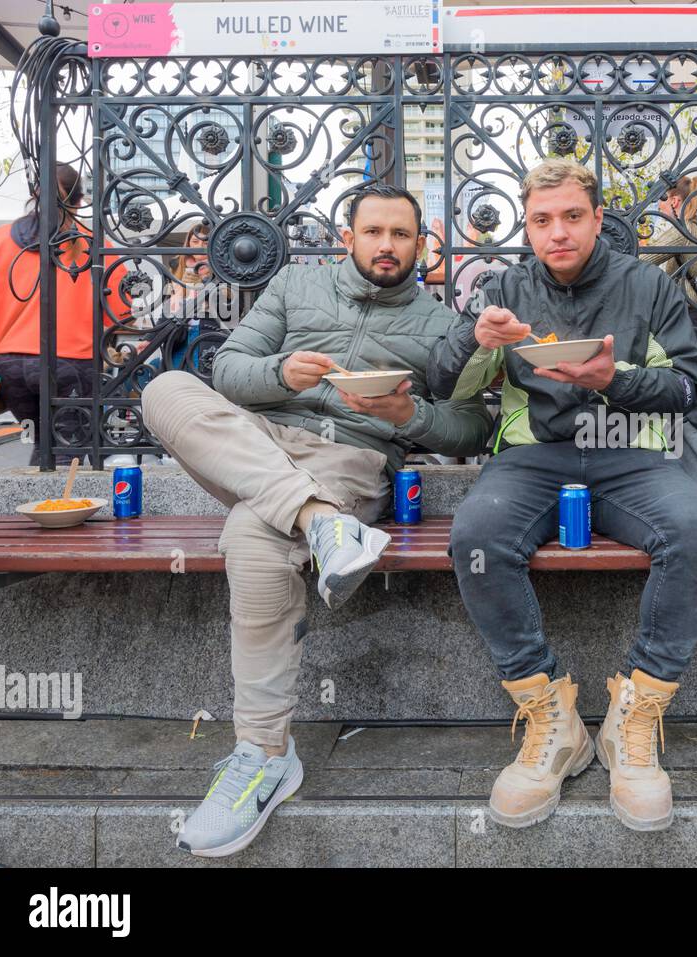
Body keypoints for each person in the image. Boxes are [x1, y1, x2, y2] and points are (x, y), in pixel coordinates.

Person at [141, 183, 492, 857]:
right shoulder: (293, 288)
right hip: (260, 442)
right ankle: (318, 521)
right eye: (373, 232)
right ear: (347, 238)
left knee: (252, 536)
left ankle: (264, 754)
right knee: (165, 390)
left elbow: (474, 422)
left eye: (400, 234)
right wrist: (283, 374)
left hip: (350, 459)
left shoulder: (438, 320)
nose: (386, 245)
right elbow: (227, 369)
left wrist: (409, 418)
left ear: (419, 244)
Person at [428, 158, 697, 832]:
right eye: (542, 220)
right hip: (533, 456)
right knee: (477, 537)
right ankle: (551, 714)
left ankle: (637, 711)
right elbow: (441, 382)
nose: (557, 232)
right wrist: (480, 339)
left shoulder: (646, 284)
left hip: (629, 450)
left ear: (598, 219)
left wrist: (613, 379)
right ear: (527, 226)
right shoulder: (501, 286)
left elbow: (689, 389)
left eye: (572, 217)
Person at [0, 163, 126, 462]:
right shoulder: (92, 243)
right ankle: (56, 507)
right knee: (68, 448)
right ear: (80, 200)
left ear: (35, 192)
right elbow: (120, 307)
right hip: (71, 360)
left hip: (10, 364)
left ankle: (35, 504)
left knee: (42, 444)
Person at [638, 174, 697, 306]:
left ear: (674, 201)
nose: (659, 205)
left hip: (687, 314)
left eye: (662, 198)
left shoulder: (683, 230)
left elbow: (642, 259)